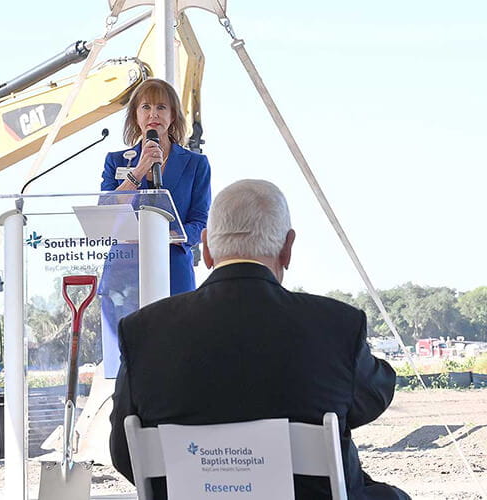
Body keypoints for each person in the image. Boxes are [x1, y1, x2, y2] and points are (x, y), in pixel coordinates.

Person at [109, 180, 410, 499]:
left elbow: (125, 454)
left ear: (207, 248)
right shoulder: (336, 326)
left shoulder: (142, 332)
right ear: (287, 248)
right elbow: (374, 396)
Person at [99, 78, 211, 377]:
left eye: (161, 107)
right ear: (135, 116)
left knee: (177, 357)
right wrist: (138, 172)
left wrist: (171, 237)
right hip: (124, 273)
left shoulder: (196, 165)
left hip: (173, 267)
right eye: (145, 107)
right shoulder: (115, 162)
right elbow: (107, 213)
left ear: (173, 115)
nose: (153, 114)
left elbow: (200, 220)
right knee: (128, 364)